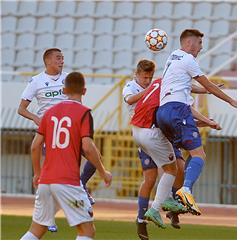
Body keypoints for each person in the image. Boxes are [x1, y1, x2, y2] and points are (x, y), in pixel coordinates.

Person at [156, 29, 237, 216]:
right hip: (177, 110)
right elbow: (209, 84)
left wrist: (204, 93)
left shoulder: (173, 57)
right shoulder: (189, 60)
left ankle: (174, 201)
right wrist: (231, 101)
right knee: (200, 155)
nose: (201, 47)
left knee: (180, 162)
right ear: (189, 43)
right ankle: (186, 190)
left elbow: (188, 85)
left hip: (162, 112)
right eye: (199, 43)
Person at [20, 72, 112, 240]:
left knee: (36, 230)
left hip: (46, 181)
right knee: (87, 231)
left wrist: (37, 173)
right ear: (84, 91)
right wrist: (103, 171)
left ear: (64, 89)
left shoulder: (49, 113)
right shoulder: (84, 113)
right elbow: (88, 147)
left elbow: (35, 146)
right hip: (67, 181)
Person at [131, 77, 221, 229]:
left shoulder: (161, 81)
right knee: (172, 169)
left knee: (170, 167)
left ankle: (168, 203)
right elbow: (185, 110)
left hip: (137, 130)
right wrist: (207, 120)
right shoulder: (176, 91)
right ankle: (158, 206)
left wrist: (206, 89)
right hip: (152, 132)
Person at [18, 48, 97, 215]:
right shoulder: (36, 81)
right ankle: (47, 214)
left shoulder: (68, 78)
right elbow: (21, 109)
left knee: (94, 158)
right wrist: (35, 118)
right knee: (52, 174)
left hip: (71, 128)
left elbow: (77, 101)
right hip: (50, 131)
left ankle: (81, 186)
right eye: (58, 58)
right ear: (48, 61)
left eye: (62, 58)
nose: (62, 61)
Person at [122, 60, 186, 239]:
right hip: (146, 132)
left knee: (179, 168)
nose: (147, 80)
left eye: (150, 78)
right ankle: (141, 220)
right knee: (150, 179)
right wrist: (151, 90)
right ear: (137, 74)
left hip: (163, 131)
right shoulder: (130, 87)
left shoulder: (155, 85)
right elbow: (129, 99)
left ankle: (171, 205)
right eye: (144, 77)